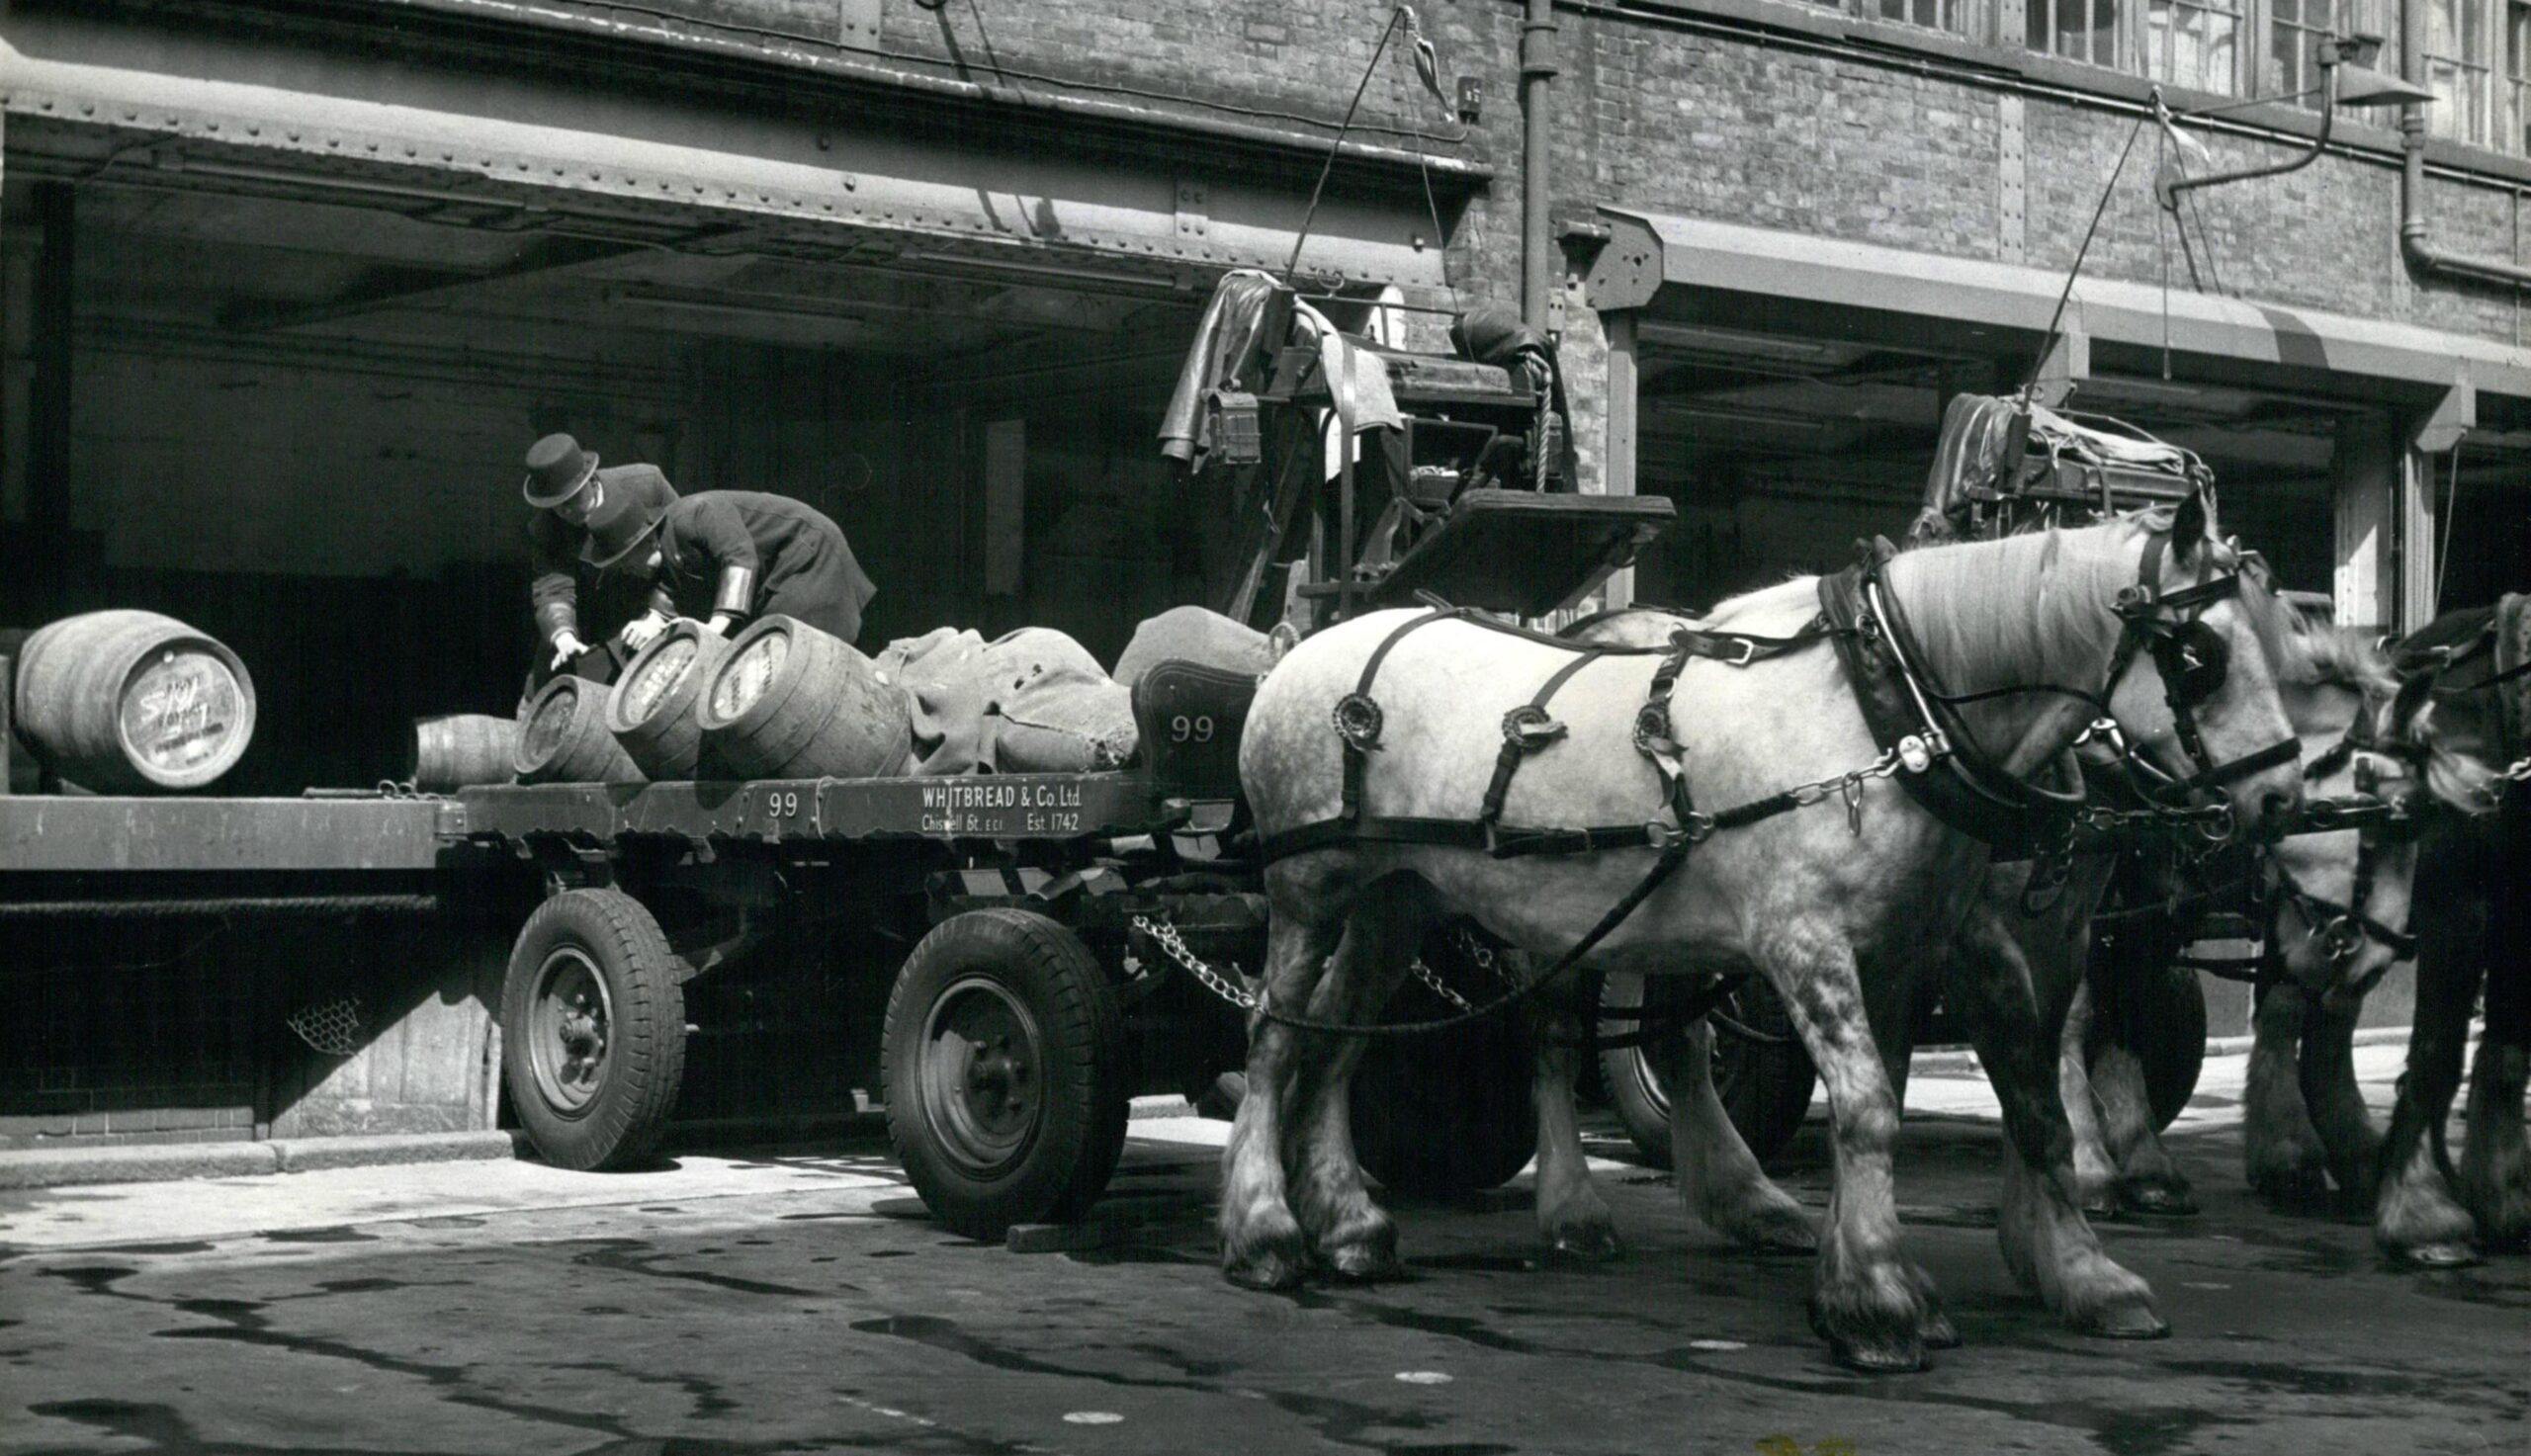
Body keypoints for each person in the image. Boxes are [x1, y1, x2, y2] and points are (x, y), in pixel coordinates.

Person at [588, 488, 878, 647]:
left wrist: (713, 629)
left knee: (784, 647)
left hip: (807, 553)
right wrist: (653, 620)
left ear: (647, 539)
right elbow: (672, 588)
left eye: (625, 559)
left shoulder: (696, 512)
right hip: (774, 574)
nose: (625, 569)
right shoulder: (664, 550)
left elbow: (739, 559)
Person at [521, 433, 679, 683]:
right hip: (592, 620)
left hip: (656, 606)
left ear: (590, 479)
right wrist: (563, 635)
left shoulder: (647, 485)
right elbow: (552, 589)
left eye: (572, 499)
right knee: (544, 690)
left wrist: (659, 613)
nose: (565, 511)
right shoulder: (545, 529)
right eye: (556, 505)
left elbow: (681, 552)